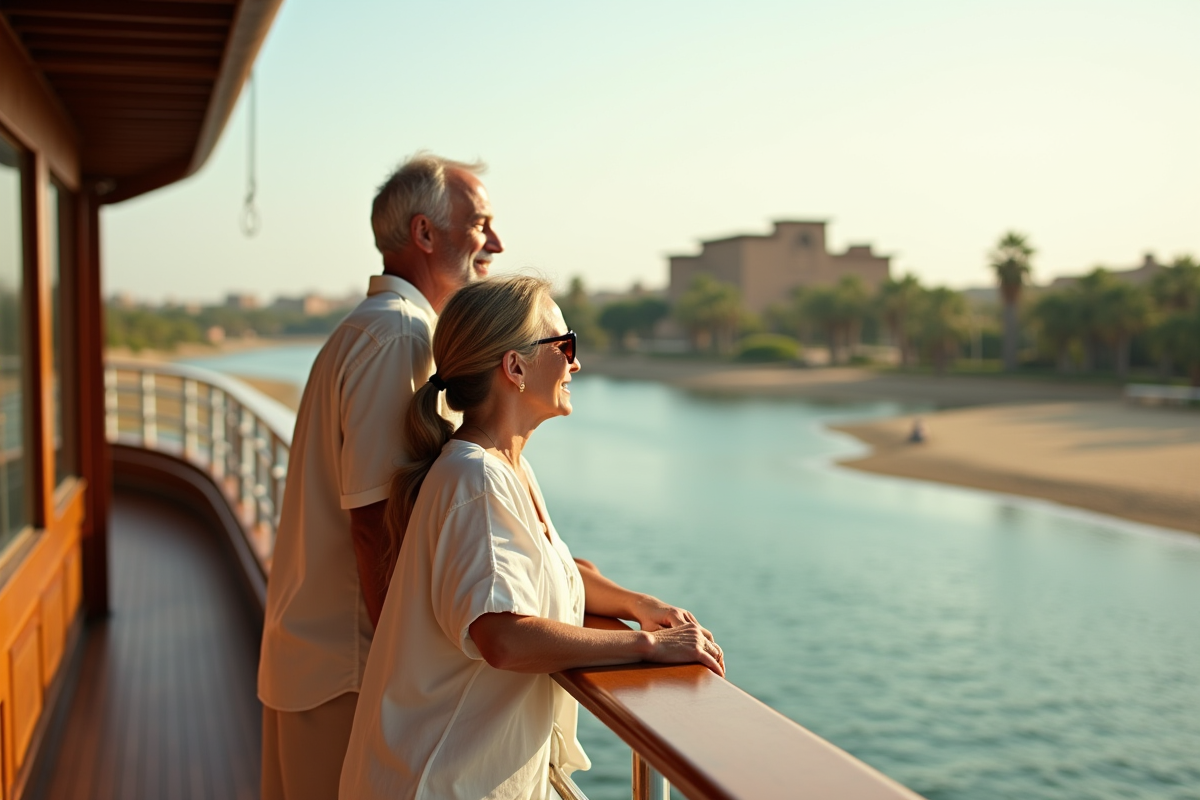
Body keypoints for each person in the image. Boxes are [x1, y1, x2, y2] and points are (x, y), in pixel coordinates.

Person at [339, 276, 724, 800]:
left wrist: (641, 604)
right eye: (565, 346)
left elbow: (557, 570)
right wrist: (649, 647)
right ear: (514, 367)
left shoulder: (504, 467)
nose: (576, 363)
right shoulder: (475, 478)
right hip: (436, 781)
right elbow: (503, 635)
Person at [258, 153, 503, 800]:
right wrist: (408, 669)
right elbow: (375, 522)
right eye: (481, 224)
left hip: (325, 658)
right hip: (352, 671)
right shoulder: (399, 337)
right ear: (425, 234)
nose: (497, 244)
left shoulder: (379, 328)